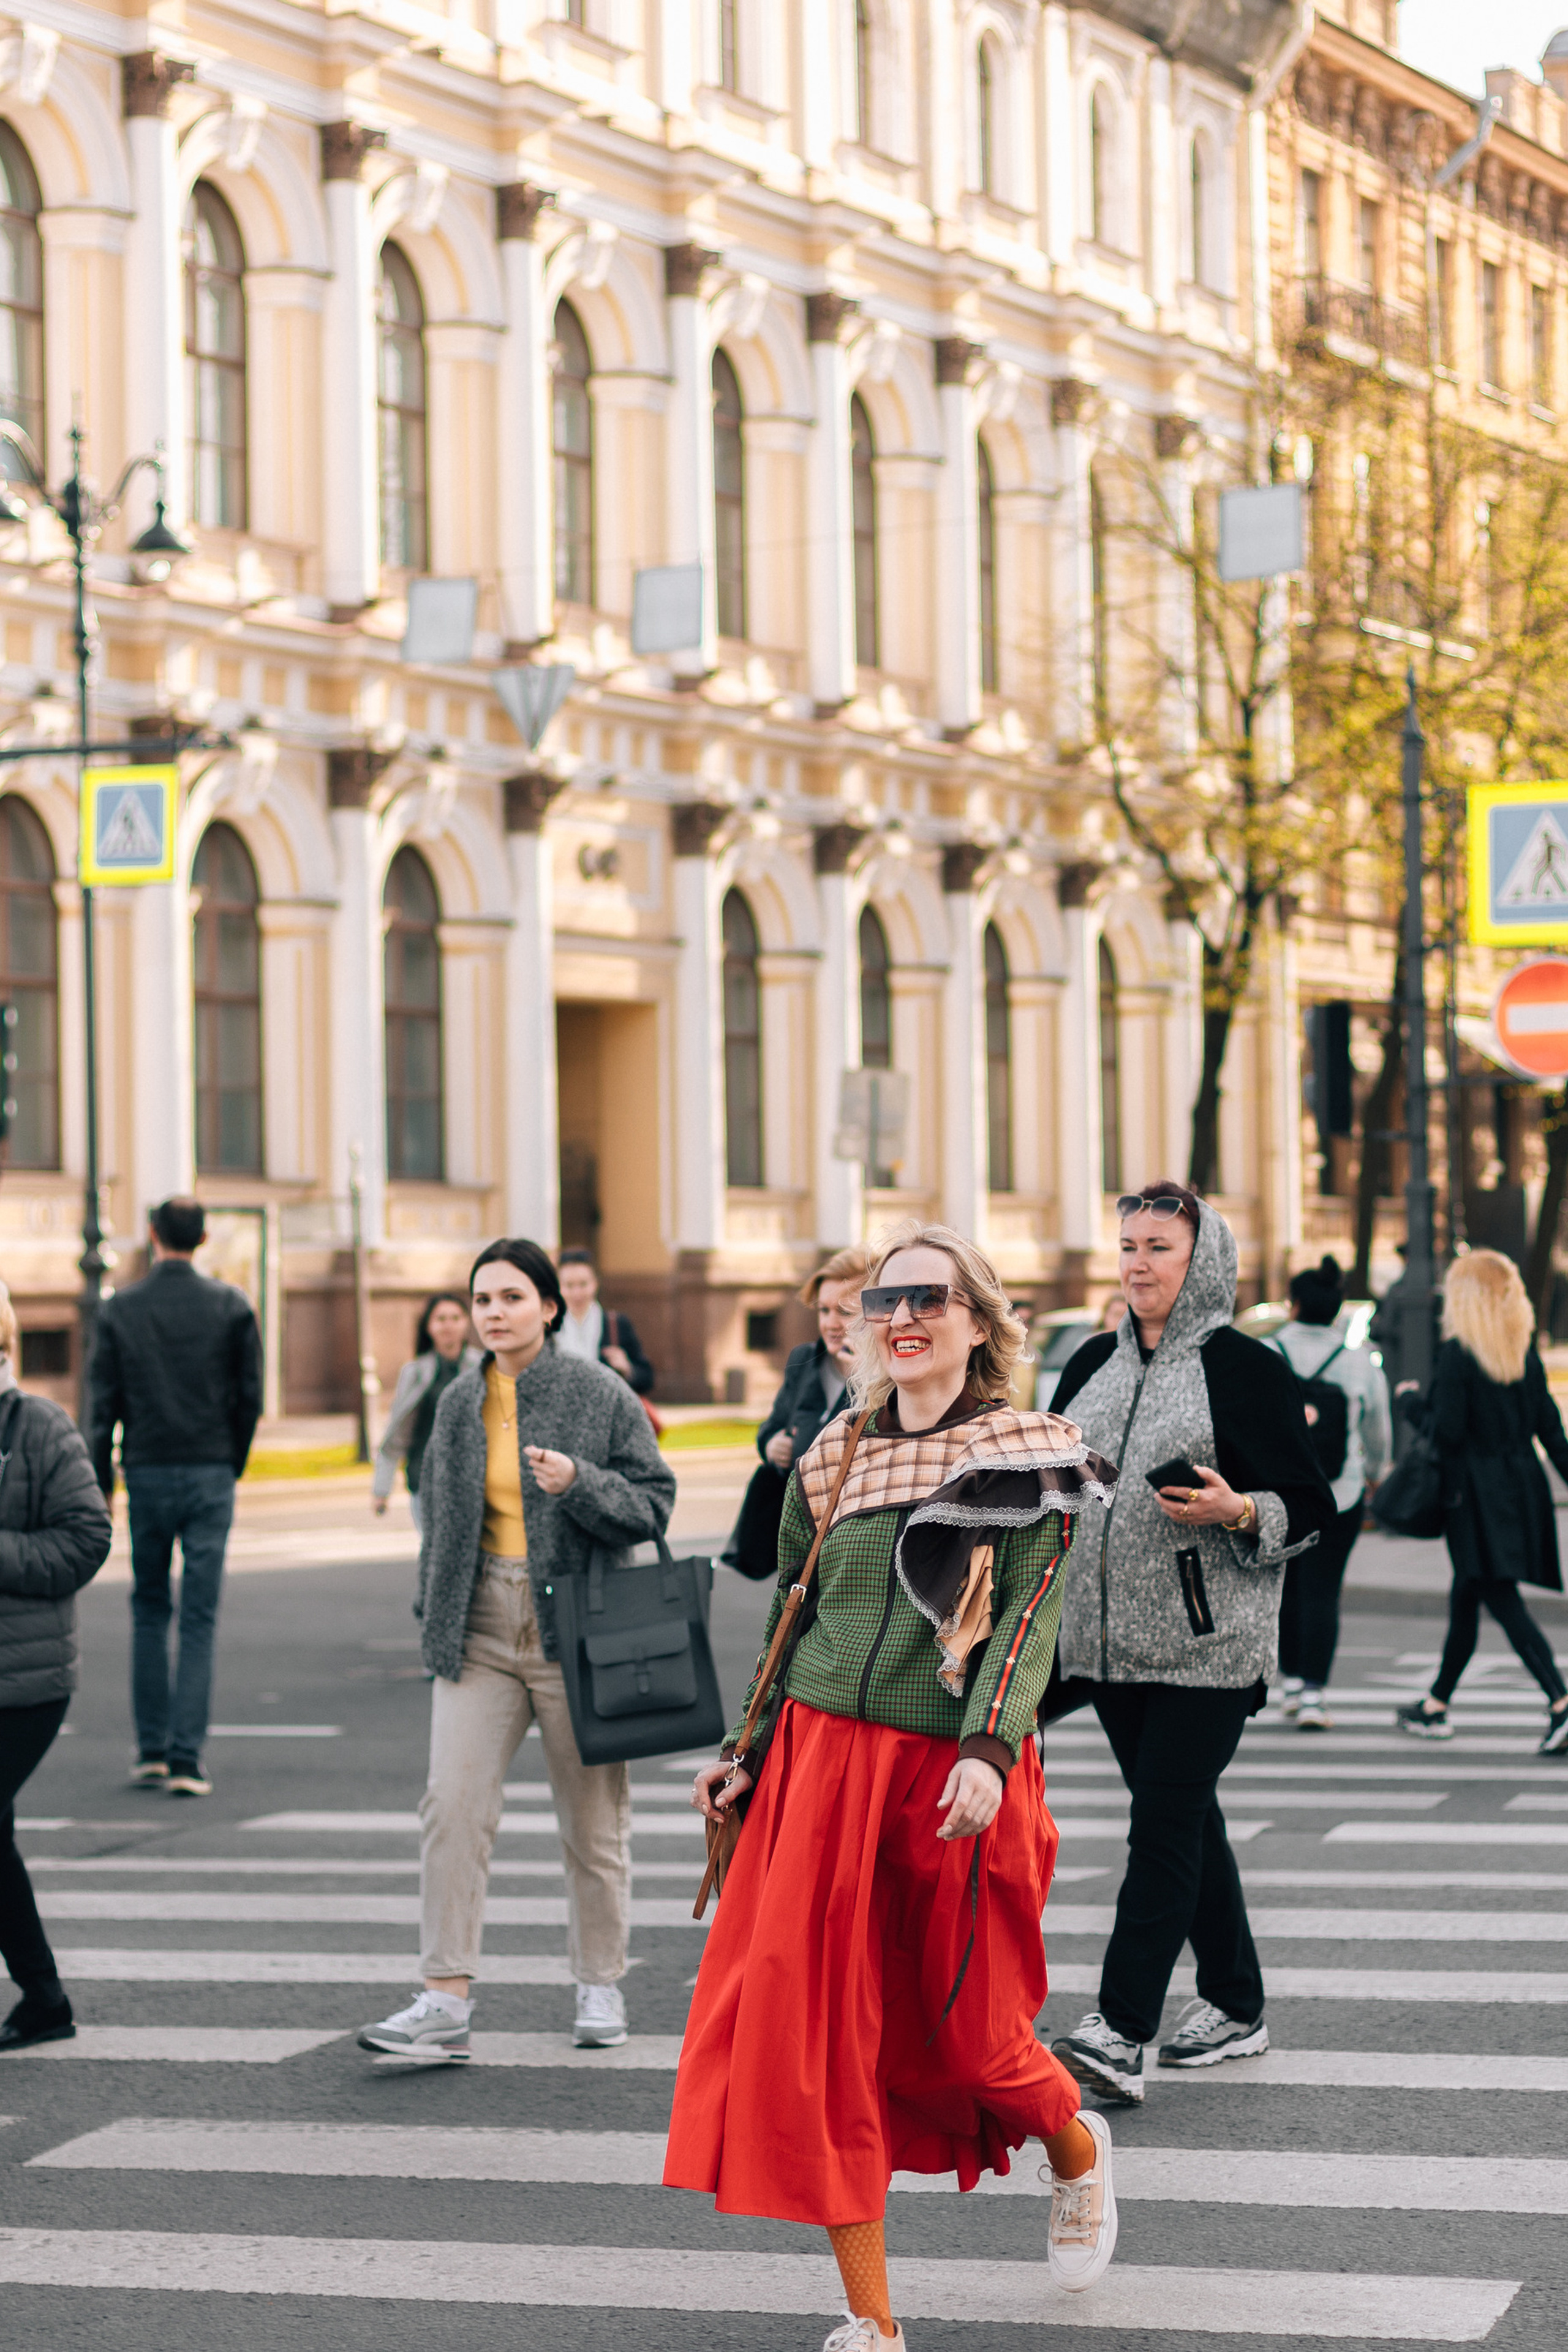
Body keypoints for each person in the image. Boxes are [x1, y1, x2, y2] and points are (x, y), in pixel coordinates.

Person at [666, 1220, 1123, 2342]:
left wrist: (986, 1748)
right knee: (821, 2047)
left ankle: (1073, 2144)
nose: (904, 1320)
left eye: (929, 1300)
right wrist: (745, 1751)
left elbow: (1026, 1619)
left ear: (978, 1320)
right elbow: (792, 1611)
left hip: (954, 1774)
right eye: (885, 1303)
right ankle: (874, 2326)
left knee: (975, 2035)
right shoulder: (834, 1455)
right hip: (819, 1772)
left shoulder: (1028, 1450)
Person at [1047, 1183, 1335, 2105]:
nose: (1138, 1262)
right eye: (1128, 1244)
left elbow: (1312, 1506)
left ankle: (1120, 2031)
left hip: (1209, 1646)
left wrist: (1240, 1509)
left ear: (1200, 1258)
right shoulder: (1092, 1360)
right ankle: (1237, 2002)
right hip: (1105, 1647)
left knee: (1162, 1828)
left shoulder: (1244, 1368)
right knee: (1187, 1819)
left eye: (1159, 1247)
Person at [358, 1237, 676, 2061]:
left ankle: (600, 1981)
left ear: (548, 1307)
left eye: (510, 1298)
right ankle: (444, 1998)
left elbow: (654, 1502)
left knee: (593, 1822)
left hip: (579, 1627)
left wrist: (583, 1483)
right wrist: (435, 1612)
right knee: (452, 1808)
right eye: (483, 1300)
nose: (494, 1314)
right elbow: (438, 1517)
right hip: (480, 1625)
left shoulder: (597, 1391)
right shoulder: (459, 1401)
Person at [86, 1195, 263, 1799]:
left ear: (153, 1235)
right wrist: (229, 1461)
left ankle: (152, 1750)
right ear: (204, 1239)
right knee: (199, 1618)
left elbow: (100, 1406)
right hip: (211, 1467)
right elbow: (250, 1397)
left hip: (149, 1468)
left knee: (148, 1607)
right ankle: (188, 1758)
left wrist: (103, 1481)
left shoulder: (121, 1309)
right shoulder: (232, 1305)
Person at [1392, 1248, 1568, 1755]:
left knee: (1498, 1595)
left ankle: (1559, 1700)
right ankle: (1436, 1704)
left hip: (1473, 1495)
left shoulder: (1459, 1356)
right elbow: (1552, 1433)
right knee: (1467, 1595)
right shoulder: (1523, 1355)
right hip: (1521, 1488)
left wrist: (1409, 1404)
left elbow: (1446, 1437)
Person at [0, 1278, 114, 2050]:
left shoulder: (38, 1426)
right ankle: (44, 1999)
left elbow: (86, 1538)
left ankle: (44, 1995)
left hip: (24, 1680)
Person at [1269, 1255, 1391, 1730]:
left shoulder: (1269, 1353)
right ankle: (1316, 1695)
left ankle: (1292, 1684)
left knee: (1284, 1589)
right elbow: (1378, 1429)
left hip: (1279, 1497)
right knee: (1324, 1592)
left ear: (1294, 1305)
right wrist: (1375, 1472)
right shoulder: (1359, 1361)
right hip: (1340, 1493)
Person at [372, 1295, 480, 1532]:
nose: (448, 1325)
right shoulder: (414, 1373)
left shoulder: (483, 1368)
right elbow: (397, 1433)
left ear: (467, 1323)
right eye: (440, 1319)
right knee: (434, 1556)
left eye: (455, 1318)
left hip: (473, 1481)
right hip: (425, 1479)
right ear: (429, 1326)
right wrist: (382, 1490)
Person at [756, 1247, 869, 1475]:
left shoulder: (888, 1372)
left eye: (845, 1312)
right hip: (795, 1503)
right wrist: (771, 1444)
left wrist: (864, 1376)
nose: (830, 1323)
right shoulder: (804, 1359)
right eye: (824, 1310)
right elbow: (773, 1425)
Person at [556, 1251, 655, 1394]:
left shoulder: (616, 1324)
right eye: (570, 1286)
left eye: (583, 1284)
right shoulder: (549, 1328)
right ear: (559, 1287)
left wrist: (627, 1368)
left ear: (595, 1283)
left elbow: (647, 1378)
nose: (577, 1293)